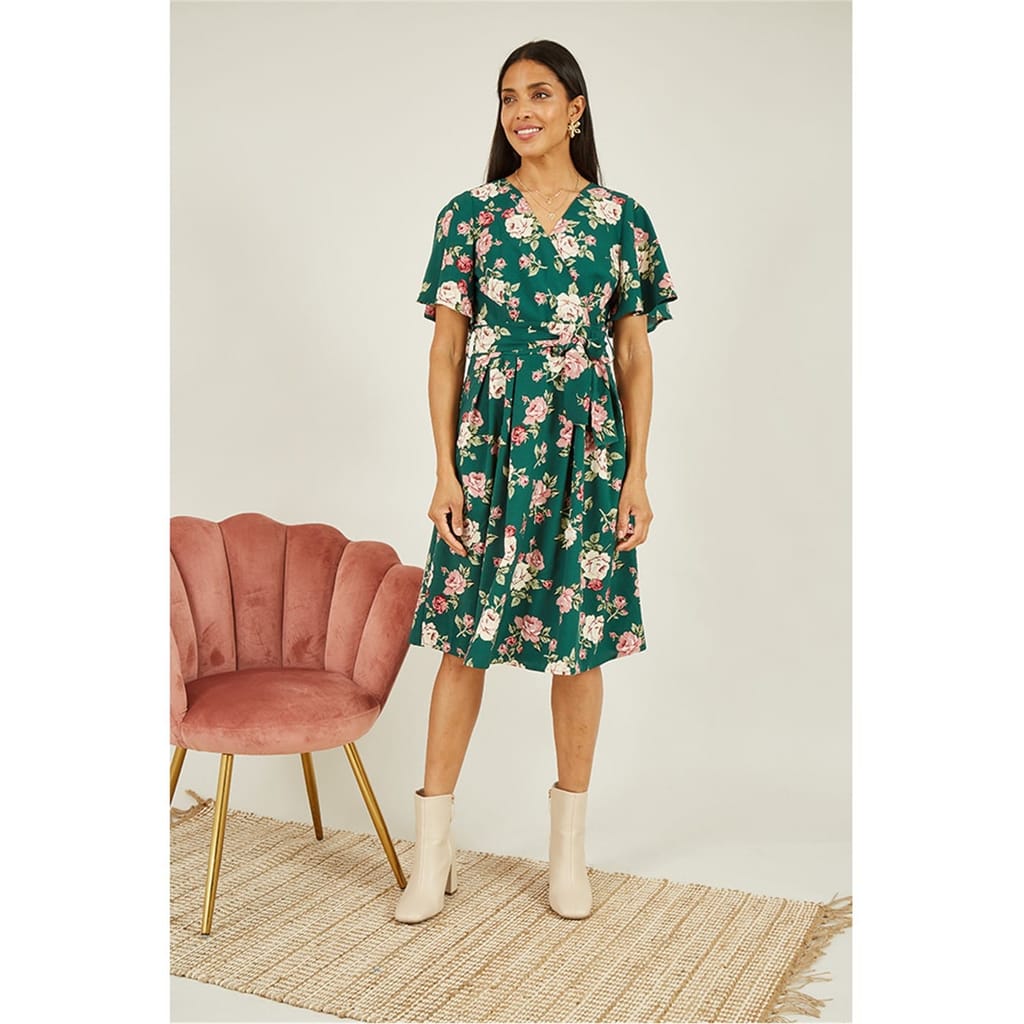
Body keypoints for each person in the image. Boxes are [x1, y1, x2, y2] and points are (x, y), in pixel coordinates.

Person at [396, 39, 678, 925]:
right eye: (509, 96)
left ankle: (568, 853)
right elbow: (445, 351)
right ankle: (431, 853)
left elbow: (634, 355)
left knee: (579, 642)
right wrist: (444, 470)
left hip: (588, 455)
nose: (522, 110)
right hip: (489, 450)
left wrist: (637, 474)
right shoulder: (469, 215)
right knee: (462, 641)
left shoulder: (623, 220)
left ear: (575, 109)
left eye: (540, 94)